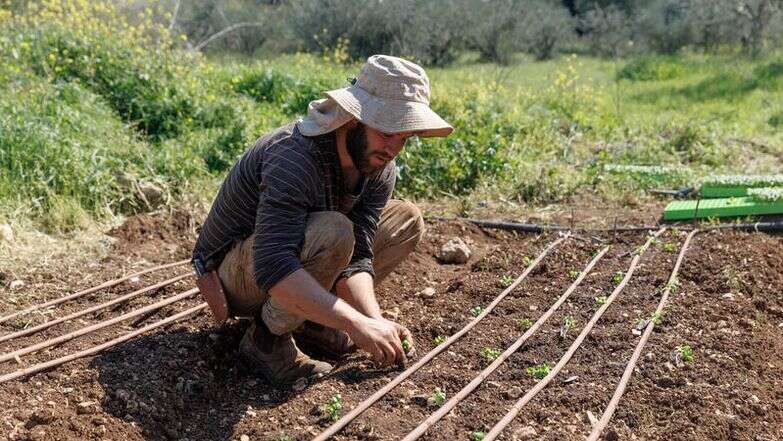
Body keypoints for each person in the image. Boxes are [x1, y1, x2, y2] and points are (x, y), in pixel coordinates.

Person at [192, 55, 453, 385]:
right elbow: (273, 264)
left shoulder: (378, 167)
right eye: (387, 131)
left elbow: (358, 255)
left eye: (404, 136)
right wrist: (356, 325)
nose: (393, 148)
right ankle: (266, 341)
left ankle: (315, 323)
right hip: (234, 275)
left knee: (405, 220)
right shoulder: (294, 156)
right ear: (353, 120)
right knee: (335, 231)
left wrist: (374, 319)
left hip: (287, 261)